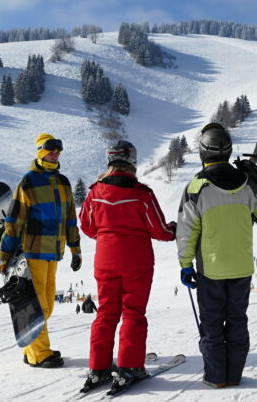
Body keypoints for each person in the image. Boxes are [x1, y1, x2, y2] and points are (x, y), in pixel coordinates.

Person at [177, 123, 257, 389]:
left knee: (212, 324)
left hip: (211, 269)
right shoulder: (246, 186)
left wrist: (186, 265)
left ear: (203, 152)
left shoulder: (197, 187)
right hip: (242, 268)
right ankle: (234, 375)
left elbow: (186, 231)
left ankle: (215, 377)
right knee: (237, 321)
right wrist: (255, 182)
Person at [79, 140, 176, 391]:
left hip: (105, 260)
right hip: (136, 260)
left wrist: (107, 235)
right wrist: (173, 230)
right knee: (133, 311)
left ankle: (99, 367)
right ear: (132, 161)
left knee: (106, 312)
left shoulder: (95, 192)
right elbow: (159, 229)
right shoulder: (141, 193)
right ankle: (130, 366)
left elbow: (88, 227)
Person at [0, 133, 81, 368]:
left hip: (53, 253)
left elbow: (71, 219)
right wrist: (3, 255)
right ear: (41, 152)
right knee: (38, 306)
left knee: (48, 306)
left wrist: (76, 249)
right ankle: (39, 354)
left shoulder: (63, 182)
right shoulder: (29, 181)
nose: (55, 154)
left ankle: (30, 346)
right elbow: (14, 221)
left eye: (58, 151)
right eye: (51, 151)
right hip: (31, 253)